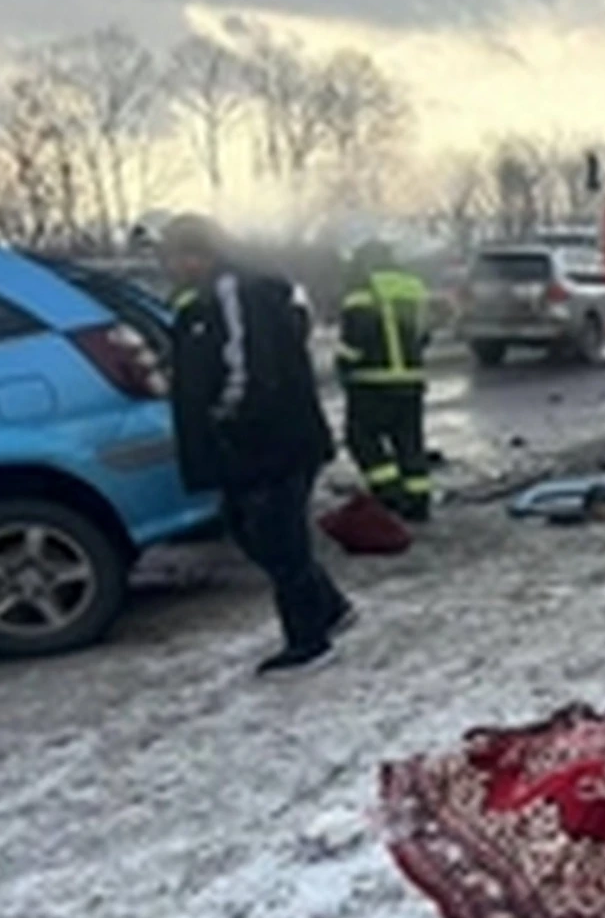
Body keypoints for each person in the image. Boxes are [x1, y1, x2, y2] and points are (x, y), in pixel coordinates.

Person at [159, 214, 353, 676]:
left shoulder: (236, 291)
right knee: (249, 529)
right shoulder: (209, 295)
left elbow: (246, 366)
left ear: (202, 254)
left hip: (268, 439)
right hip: (257, 442)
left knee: (277, 537)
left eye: (181, 256)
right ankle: (328, 607)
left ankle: (309, 641)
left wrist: (224, 414)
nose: (175, 266)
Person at [337, 241, 433, 522]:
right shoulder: (414, 288)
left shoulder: (361, 293)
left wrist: (343, 364)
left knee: (361, 439)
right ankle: (419, 500)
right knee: (410, 443)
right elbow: (424, 334)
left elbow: (354, 340)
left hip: (371, 381)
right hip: (412, 381)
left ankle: (391, 494)